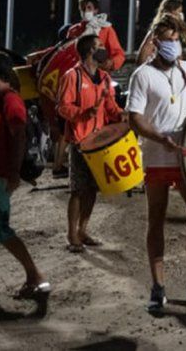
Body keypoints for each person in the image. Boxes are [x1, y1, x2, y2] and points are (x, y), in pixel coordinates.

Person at [126, 14, 186, 312]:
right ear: (156, 42)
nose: (174, 45)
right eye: (168, 40)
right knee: (156, 219)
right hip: (156, 157)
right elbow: (135, 118)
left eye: (177, 40)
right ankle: (157, 287)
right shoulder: (142, 75)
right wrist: (160, 137)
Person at [0, 52, 51, 304]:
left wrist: (12, 173)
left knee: (0, 230)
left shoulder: (9, 100)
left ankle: (35, 275)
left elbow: (19, 135)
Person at [57, 35, 124, 253]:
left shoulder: (104, 78)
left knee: (92, 190)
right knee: (78, 189)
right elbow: (62, 107)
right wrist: (84, 113)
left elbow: (111, 108)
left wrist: (124, 116)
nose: (104, 49)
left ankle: (83, 230)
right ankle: (71, 233)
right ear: (89, 52)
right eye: (100, 47)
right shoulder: (72, 77)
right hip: (79, 141)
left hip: (98, 142)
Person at [66, 0, 126, 71]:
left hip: (99, 73)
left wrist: (111, 63)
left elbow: (118, 53)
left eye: (89, 8)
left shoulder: (106, 29)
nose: (86, 11)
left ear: (96, 10)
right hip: (78, 72)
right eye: (82, 8)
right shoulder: (73, 30)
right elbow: (67, 53)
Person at [137, 0, 186, 66]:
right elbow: (143, 55)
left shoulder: (178, 33)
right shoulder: (156, 32)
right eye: (178, 12)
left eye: (181, 12)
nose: (180, 15)